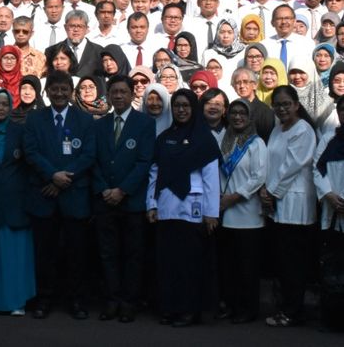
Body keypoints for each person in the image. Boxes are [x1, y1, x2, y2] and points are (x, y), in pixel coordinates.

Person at [23, 70, 96, 320]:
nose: (59, 93)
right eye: (54, 88)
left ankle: (76, 300)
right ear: (47, 91)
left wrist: (64, 179)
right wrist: (52, 175)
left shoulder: (85, 120)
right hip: (43, 196)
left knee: (77, 254)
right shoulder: (34, 119)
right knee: (45, 254)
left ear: (71, 91)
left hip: (74, 197)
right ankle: (44, 299)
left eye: (64, 88)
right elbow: (30, 152)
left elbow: (88, 155)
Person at [147, 89, 221, 327]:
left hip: (193, 208)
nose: (181, 110)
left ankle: (190, 311)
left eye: (186, 106)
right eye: (177, 105)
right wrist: (151, 203)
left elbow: (211, 179)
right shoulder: (164, 138)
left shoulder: (204, 138)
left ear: (193, 109)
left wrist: (212, 213)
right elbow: (154, 173)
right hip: (167, 207)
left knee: (190, 264)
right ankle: (169, 308)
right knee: (168, 263)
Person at [92, 75, 156, 323]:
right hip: (104, 200)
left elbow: (144, 162)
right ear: (108, 95)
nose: (118, 96)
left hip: (131, 201)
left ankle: (129, 302)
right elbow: (94, 160)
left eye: (123, 92)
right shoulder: (99, 125)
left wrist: (122, 190)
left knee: (132, 254)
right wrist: (104, 189)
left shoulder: (144, 124)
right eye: (114, 92)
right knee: (107, 253)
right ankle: (112, 300)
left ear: (131, 95)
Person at [261, 85, 317, 327]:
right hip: (277, 202)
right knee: (282, 262)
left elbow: (292, 165)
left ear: (296, 104)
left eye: (286, 103)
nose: (282, 108)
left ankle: (293, 312)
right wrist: (265, 189)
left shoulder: (303, 130)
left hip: (296, 204)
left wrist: (271, 191)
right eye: (278, 104)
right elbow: (270, 163)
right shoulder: (277, 129)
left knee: (293, 263)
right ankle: (287, 307)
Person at [0, 89, 35, 315]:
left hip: (17, 200)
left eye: (5, 104)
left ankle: (18, 302)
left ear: (11, 106)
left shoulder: (20, 132)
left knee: (16, 256)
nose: (1, 108)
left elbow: (29, 164)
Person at [217, 99, 267, 324]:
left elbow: (259, 176)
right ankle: (232, 305)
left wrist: (234, 197)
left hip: (248, 214)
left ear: (249, 118)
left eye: (242, 114)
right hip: (226, 214)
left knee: (248, 267)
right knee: (230, 267)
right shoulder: (224, 140)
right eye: (234, 113)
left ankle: (249, 309)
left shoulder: (257, 144)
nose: (237, 117)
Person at [313, 95, 344, 329]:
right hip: (332, 212)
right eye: (342, 110)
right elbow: (317, 168)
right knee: (331, 269)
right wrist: (329, 196)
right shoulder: (328, 139)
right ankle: (331, 318)